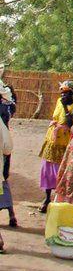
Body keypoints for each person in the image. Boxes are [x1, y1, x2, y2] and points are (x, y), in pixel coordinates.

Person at [38, 81, 73, 212]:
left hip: (64, 141)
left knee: (60, 171)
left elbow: (70, 122)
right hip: (52, 140)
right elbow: (56, 117)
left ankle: (58, 199)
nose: (63, 96)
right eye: (62, 93)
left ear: (72, 94)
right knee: (47, 169)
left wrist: (66, 107)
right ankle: (47, 198)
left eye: (66, 93)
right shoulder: (59, 101)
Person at [0, 82, 17, 228]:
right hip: (3, 151)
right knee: (3, 181)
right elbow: (7, 147)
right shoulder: (8, 107)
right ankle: (11, 214)